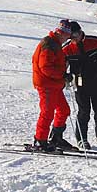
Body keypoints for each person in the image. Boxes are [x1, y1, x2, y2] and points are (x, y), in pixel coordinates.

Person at [62, 21, 97, 149]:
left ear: (80, 32)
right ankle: (81, 139)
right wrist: (66, 75)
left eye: (75, 36)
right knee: (84, 111)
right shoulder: (67, 48)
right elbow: (62, 65)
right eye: (71, 37)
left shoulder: (95, 41)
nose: (73, 39)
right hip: (80, 82)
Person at [32, 19, 75, 151]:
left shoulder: (55, 44)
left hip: (54, 84)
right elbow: (45, 67)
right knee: (47, 112)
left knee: (64, 110)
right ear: (61, 33)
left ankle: (56, 138)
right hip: (46, 84)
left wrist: (64, 74)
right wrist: (62, 75)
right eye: (67, 36)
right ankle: (40, 140)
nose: (67, 39)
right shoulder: (49, 44)